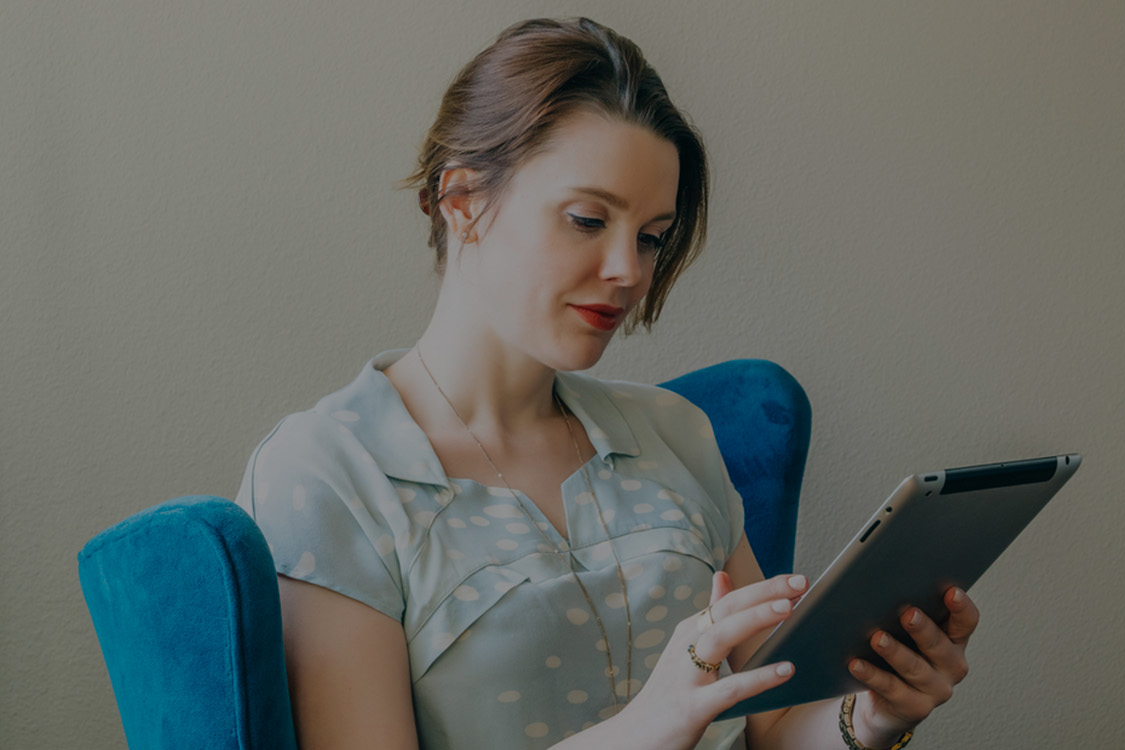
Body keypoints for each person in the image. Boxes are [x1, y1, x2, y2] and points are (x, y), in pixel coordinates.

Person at [235, 16, 979, 750]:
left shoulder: (674, 433)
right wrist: (646, 729)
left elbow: (775, 731)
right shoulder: (330, 474)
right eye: (589, 219)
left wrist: (874, 718)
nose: (630, 270)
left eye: (652, 236)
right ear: (462, 201)